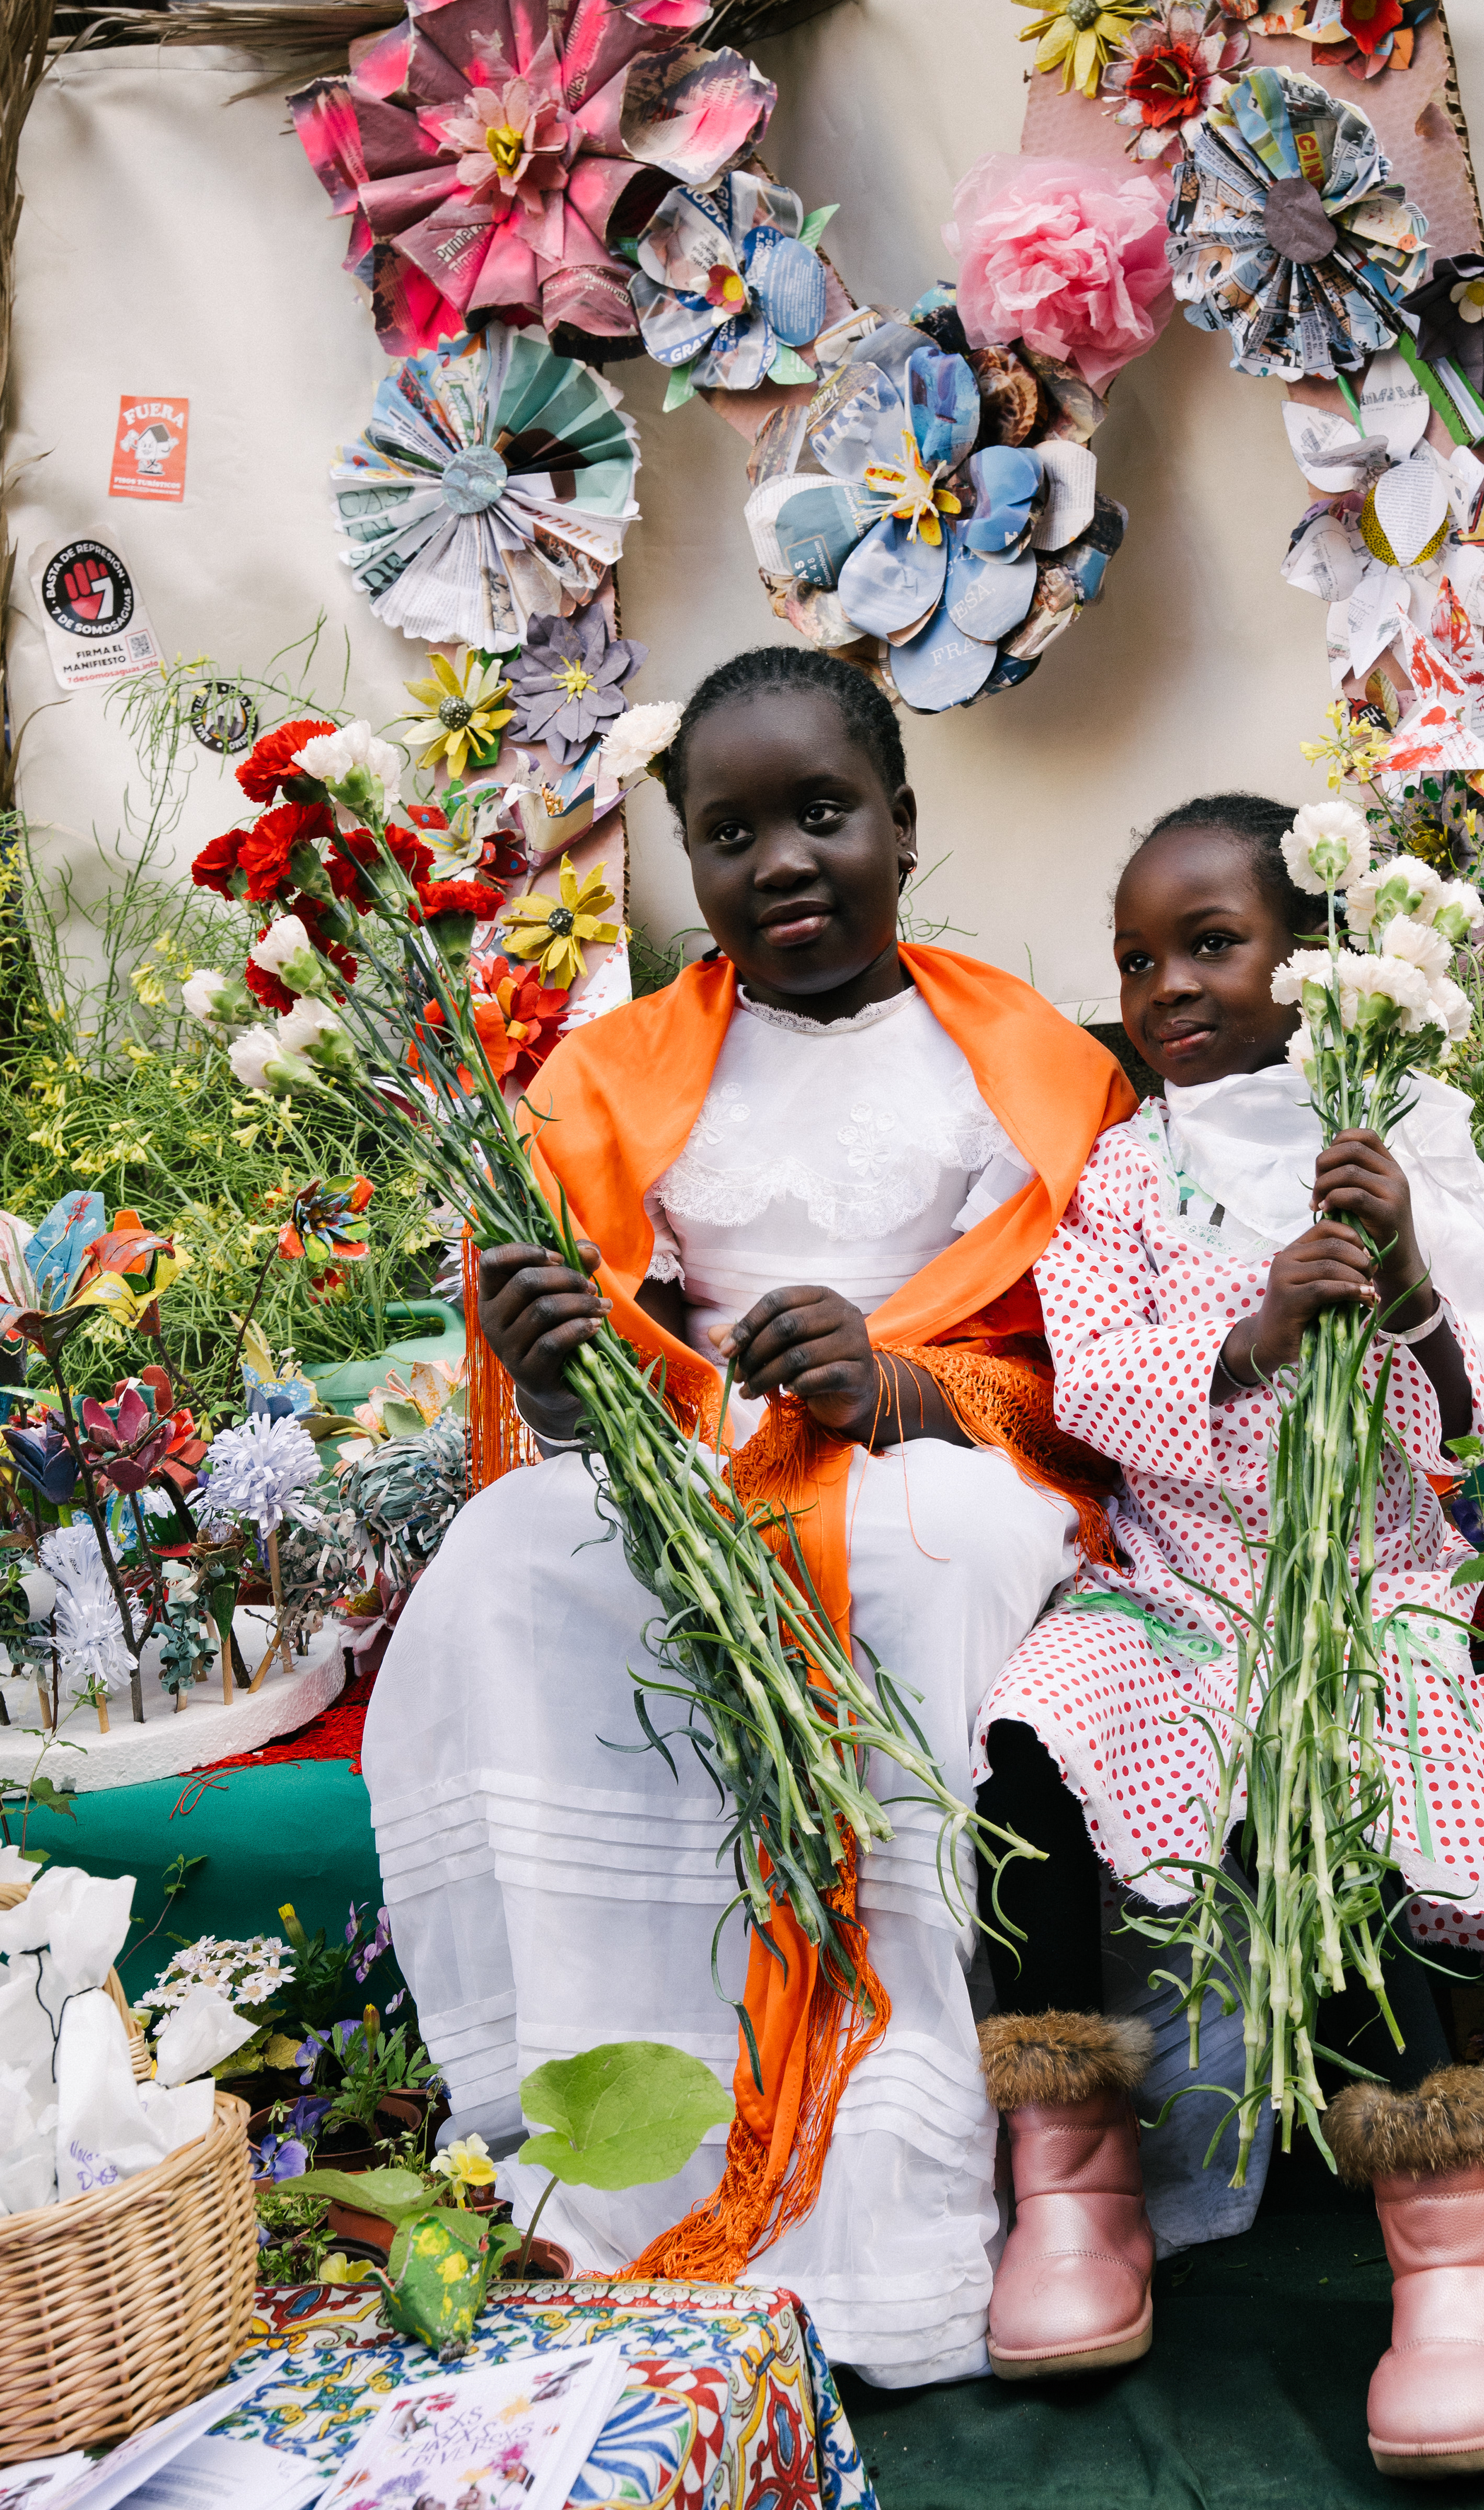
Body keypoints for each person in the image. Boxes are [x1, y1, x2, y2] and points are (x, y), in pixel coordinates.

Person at [361, 646, 1134, 2387]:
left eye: (821, 813)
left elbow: (1091, 1364)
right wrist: (571, 1382)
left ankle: (959, 2176)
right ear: (688, 868)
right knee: (501, 1566)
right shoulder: (610, 1074)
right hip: (704, 1463)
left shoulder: (1022, 1061)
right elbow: (570, 1386)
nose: (781, 861)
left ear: (904, 827)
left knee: (927, 1568)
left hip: (943, 1453)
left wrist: (898, 1388)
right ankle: (615, 2147)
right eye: (730, 833)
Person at [966, 793, 1484, 2472]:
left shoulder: (1405, 1145)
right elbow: (1092, 1381)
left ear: (1317, 960)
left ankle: (1468, 2244)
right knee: (1028, 1735)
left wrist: (1410, 1298)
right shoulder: (1124, 1174)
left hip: (1369, 1584)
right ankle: (1073, 2183)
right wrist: (1245, 1338)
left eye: (1212, 944)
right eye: (1137, 959)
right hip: (1181, 1587)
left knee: (1344, 1768)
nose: (1167, 985)